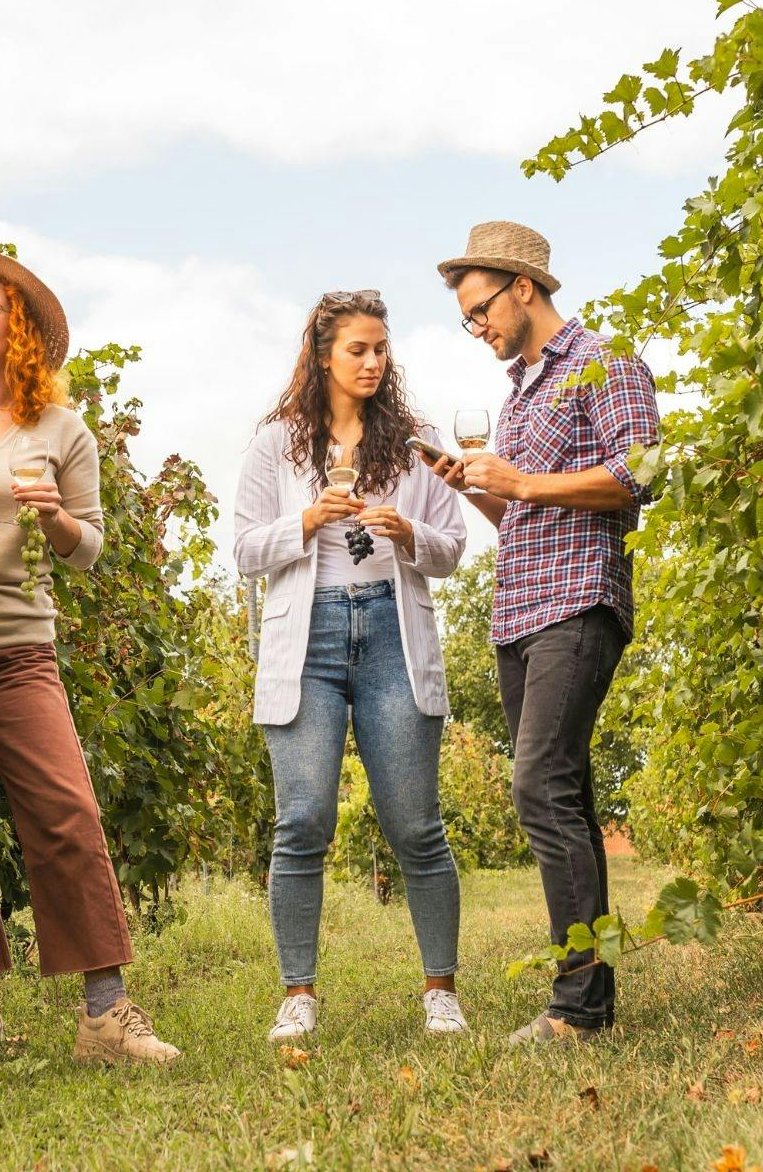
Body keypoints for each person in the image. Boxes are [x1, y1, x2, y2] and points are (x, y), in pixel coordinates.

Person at [0, 251, 181, 1066]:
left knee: (67, 813)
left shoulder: (60, 429)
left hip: (20, 644)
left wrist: (54, 517)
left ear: (17, 329)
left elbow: (87, 549)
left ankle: (106, 1015)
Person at [430, 221, 660, 1045]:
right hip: (519, 611)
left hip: (578, 601)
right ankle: (590, 1000)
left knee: (538, 787)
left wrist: (522, 479)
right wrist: (476, 488)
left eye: (480, 309)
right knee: (565, 793)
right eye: (466, 317)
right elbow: (526, 513)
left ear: (523, 287)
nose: (476, 327)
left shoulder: (606, 361)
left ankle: (576, 1006)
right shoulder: (521, 392)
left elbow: (640, 474)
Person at [234, 289, 469, 1043]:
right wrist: (305, 521)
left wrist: (408, 533)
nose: (373, 363)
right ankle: (298, 994)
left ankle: (441, 992)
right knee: (302, 821)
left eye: (381, 349)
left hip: (393, 635)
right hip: (309, 639)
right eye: (357, 350)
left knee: (416, 826)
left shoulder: (418, 443)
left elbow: (452, 549)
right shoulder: (277, 444)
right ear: (322, 355)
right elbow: (245, 549)